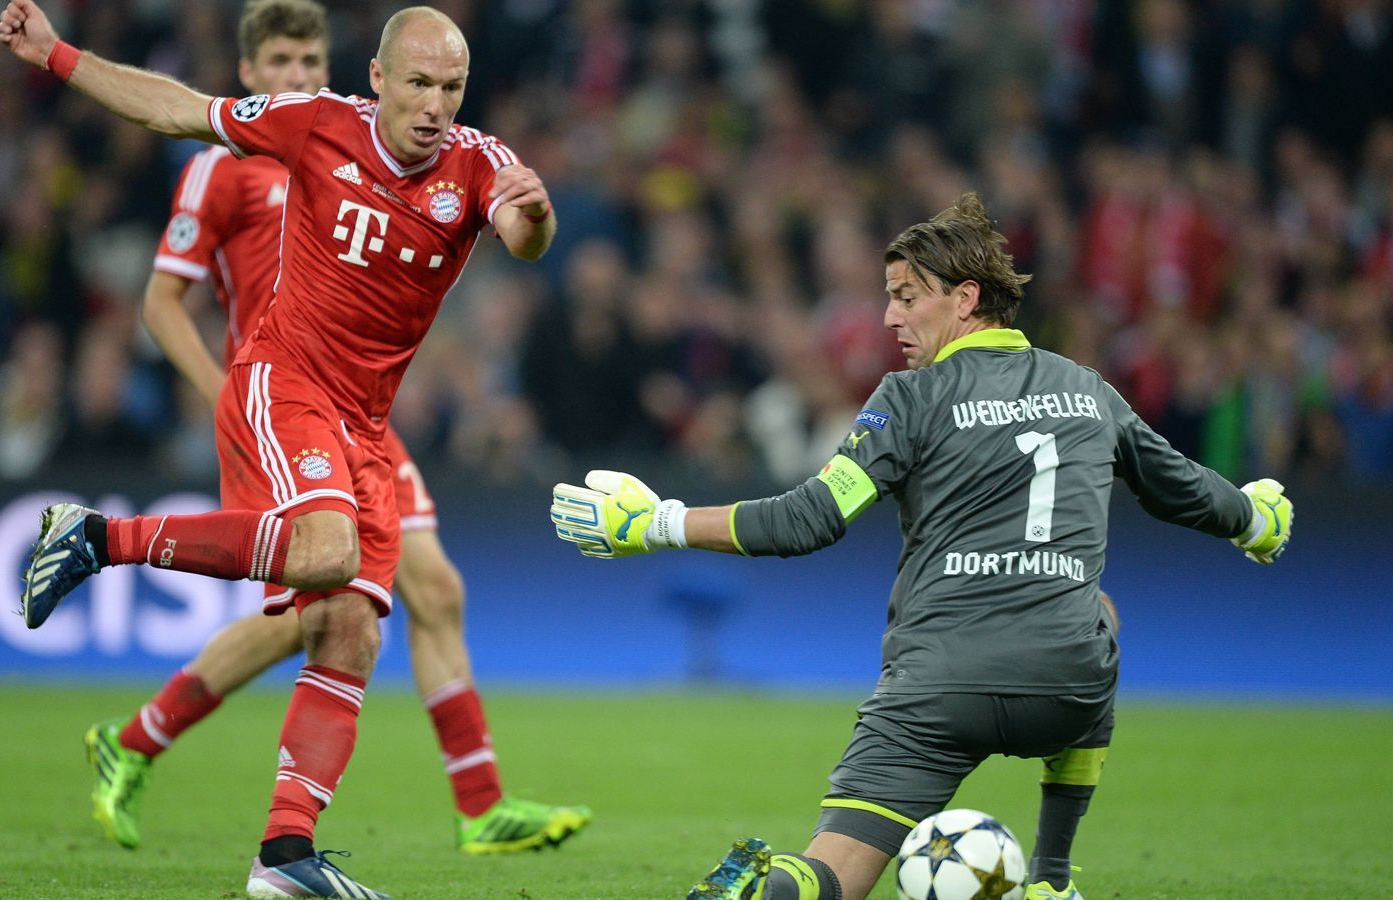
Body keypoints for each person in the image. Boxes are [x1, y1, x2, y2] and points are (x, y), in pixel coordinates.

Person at [549, 193, 1293, 900]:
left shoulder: (907, 400)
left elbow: (807, 519)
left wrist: (656, 523)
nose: (888, 315)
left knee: (829, 875)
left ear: (965, 300)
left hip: (938, 692)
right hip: (1065, 690)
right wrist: (1256, 519)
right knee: (1098, 612)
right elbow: (1187, 491)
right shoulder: (1088, 389)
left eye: (907, 296)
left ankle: (779, 888)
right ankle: (1053, 877)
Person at [0, 2, 560, 896]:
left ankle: (285, 856)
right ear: (377, 78)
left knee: (345, 626)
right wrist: (57, 54)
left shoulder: (477, 162)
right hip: (282, 380)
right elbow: (173, 109)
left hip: (367, 427)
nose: (434, 105)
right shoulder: (314, 124)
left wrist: (534, 217)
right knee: (327, 558)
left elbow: (523, 236)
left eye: (451, 87)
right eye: (418, 83)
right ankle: (99, 538)